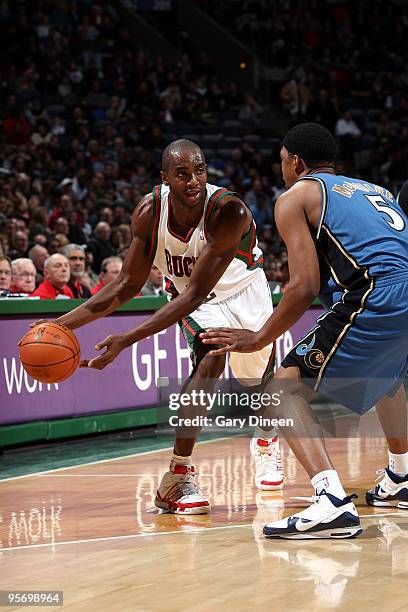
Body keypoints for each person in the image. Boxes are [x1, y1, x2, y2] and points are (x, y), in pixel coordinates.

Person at [32, 139, 284, 514]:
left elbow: (196, 291)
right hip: (196, 299)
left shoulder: (228, 211)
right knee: (211, 356)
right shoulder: (150, 212)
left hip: (244, 290)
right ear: (165, 178)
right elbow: (125, 285)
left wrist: (127, 339)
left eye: (199, 170)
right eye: (182, 174)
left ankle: (265, 439)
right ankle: (177, 477)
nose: (194, 180)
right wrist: (59, 325)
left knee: (258, 378)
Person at [201, 123, 408, 538]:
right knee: (389, 376)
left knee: (282, 388)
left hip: (378, 291)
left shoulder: (296, 196)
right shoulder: (373, 190)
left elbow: (304, 286)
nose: (281, 170)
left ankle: (330, 501)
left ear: (294, 161)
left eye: (281, 161)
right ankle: (402, 477)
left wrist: (257, 338)